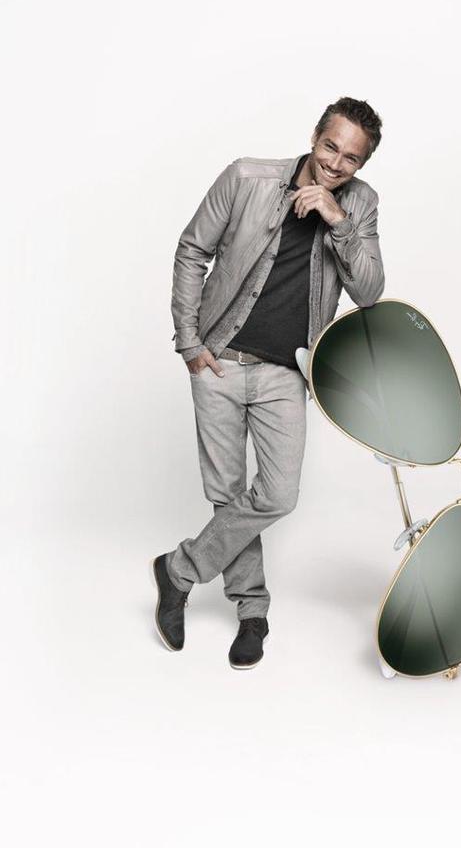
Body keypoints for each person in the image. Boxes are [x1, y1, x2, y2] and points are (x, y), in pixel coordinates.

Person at [151, 96, 385, 669]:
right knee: (228, 494)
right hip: (219, 361)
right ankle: (252, 612)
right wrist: (189, 342)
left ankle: (178, 569)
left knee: (278, 495)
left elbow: (369, 292)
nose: (335, 164)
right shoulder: (246, 177)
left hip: (286, 372)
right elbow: (192, 249)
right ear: (314, 136)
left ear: (362, 164)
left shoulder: (360, 204)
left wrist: (338, 220)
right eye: (330, 147)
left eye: (351, 159)